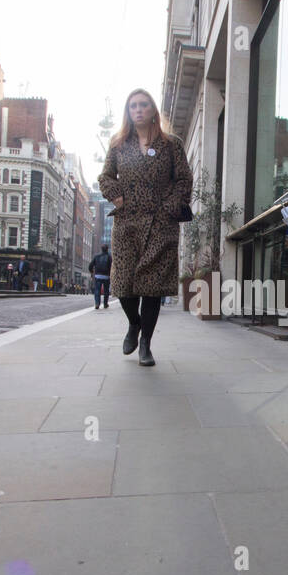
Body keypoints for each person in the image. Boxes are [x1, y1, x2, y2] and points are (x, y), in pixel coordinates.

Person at [98, 88, 192, 367]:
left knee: (152, 287)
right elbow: (104, 177)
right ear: (128, 112)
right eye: (133, 106)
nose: (138, 109)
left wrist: (171, 206)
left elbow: (184, 179)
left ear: (153, 110)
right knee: (124, 284)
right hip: (127, 221)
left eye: (144, 105)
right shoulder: (118, 145)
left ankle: (145, 345)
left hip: (161, 223)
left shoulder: (171, 144)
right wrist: (116, 194)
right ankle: (134, 324)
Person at [89, 244, 112, 309]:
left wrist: (91, 271)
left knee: (97, 290)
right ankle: (105, 304)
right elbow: (112, 266)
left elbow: (91, 265)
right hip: (106, 276)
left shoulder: (96, 256)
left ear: (101, 249)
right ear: (107, 249)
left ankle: (97, 303)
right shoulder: (109, 257)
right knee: (106, 291)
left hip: (98, 275)